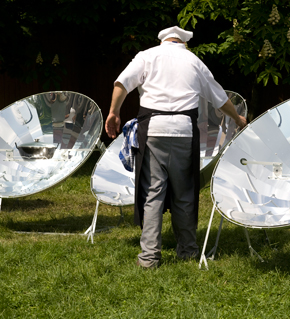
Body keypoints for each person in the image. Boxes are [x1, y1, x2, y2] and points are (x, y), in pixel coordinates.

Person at [105, 26, 247, 268]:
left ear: (162, 41)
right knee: (184, 193)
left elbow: (121, 83)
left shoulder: (146, 56)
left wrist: (113, 113)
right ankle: (188, 251)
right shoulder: (194, 61)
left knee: (153, 193)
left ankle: (149, 258)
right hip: (183, 130)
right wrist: (238, 118)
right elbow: (220, 98)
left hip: (153, 130)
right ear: (184, 43)